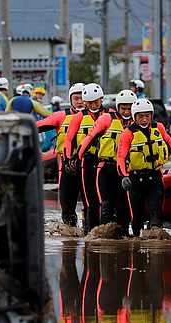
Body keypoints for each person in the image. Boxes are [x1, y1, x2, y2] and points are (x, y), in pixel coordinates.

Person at [117, 98, 171, 235]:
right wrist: (124, 176)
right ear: (134, 117)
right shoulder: (128, 134)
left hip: (154, 176)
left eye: (147, 116)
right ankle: (136, 240)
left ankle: (155, 241)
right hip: (135, 179)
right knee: (137, 214)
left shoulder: (158, 127)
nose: (144, 119)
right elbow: (121, 157)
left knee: (156, 210)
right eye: (141, 116)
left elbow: (169, 142)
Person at [78, 89, 138, 234]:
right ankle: (100, 237)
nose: (126, 111)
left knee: (124, 206)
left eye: (129, 108)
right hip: (105, 168)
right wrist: (78, 157)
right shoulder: (107, 119)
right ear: (118, 107)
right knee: (105, 204)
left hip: (124, 170)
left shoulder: (139, 123)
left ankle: (123, 236)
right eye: (123, 108)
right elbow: (89, 139)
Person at [37, 83, 88, 227]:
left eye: (83, 98)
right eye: (76, 98)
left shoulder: (99, 117)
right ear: (71, 100)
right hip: (67, 167)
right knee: (67, 208)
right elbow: (37, 126)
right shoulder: (60, 116)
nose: (80, 102)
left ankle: (90, 234)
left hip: (89, 166)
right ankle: (70, 238)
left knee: (91, 206)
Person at [66, 83, 108, 233]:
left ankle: (106, 230)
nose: (93, 105)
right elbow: (69, 139)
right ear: (85, 102)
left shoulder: (109, 115)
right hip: (86, 161)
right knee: (90, 200)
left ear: (101, 99)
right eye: (90, 103)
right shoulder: (79, 117)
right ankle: (90, 231)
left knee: (105, 200)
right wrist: (70, 158)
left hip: (104, 162)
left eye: (96, 102)